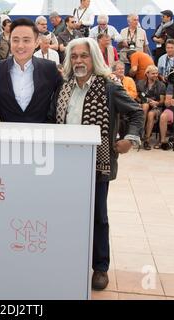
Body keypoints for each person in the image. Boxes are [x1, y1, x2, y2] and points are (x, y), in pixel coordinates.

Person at [51, 37, 143, 290]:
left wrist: (129, 139)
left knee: (98, 217)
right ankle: (68, 260)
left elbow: (136, 112)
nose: (79, 60)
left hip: (97, 166)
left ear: (95, 58)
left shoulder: (109, 87)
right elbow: (51, 120)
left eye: (84, 55)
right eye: (75, 56)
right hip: (63, 165)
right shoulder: (63, 87)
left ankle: (100, 268)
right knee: (66, 214)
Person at [0, 18, 62, 123]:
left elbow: (61, 93)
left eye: (26, 40)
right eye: (15, 40)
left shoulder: (49, 69)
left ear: (37, 43)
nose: (20, 46)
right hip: (6, 134)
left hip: (41, 133)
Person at [136, 65, 166, 150]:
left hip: (156, 107)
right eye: (153, 73)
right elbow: (137, 96)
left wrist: (156, 103)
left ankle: (146, 139)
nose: (156, 75)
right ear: (147, 74)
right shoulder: (140, 83)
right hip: (143, 106)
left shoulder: (161, 85)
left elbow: (162, 101)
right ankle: (142, 131)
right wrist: (142, 101)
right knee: (145, 106)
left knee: (151, 114)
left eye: (156, 73)